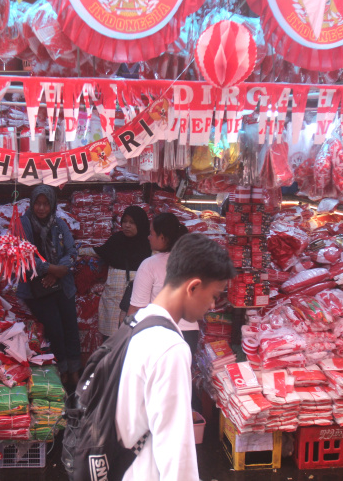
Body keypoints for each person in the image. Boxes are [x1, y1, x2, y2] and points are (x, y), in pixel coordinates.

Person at [117, 233, 235, 480]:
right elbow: (176, 450)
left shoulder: (137, 322)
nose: (213, 307)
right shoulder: (170, 348)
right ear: (193, 287)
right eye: (214, 296)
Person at [18, 185, 82, 389]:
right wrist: (51, 269)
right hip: (37, 288)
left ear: (52, 204)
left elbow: (72, 250)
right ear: (32, 203)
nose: (42, 208)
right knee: (55, 329)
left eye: (46, 204)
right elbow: (24, 255)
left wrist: (57, 272)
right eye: (38, 203)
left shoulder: (59, 224)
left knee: (71, 327)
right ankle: (62, 370)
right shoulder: (24, 224)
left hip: (62, 284)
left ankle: (74, 371)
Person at [128, 213, 199, 355]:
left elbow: (136, 308)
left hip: (160, 335)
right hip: (189, 335)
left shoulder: (150, 265)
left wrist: (126, 337)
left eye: (151, 234)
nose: (148, 237)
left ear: (162, 237)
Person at [92, 205, 151, 339]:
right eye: (124, 221)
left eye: (132, 222)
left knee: (134, 336)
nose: (127, 226)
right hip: (114, 296)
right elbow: (100, 251)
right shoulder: (116, 240)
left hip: (136, 297)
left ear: (140, 224)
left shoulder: (148, 244)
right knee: (111, 337)